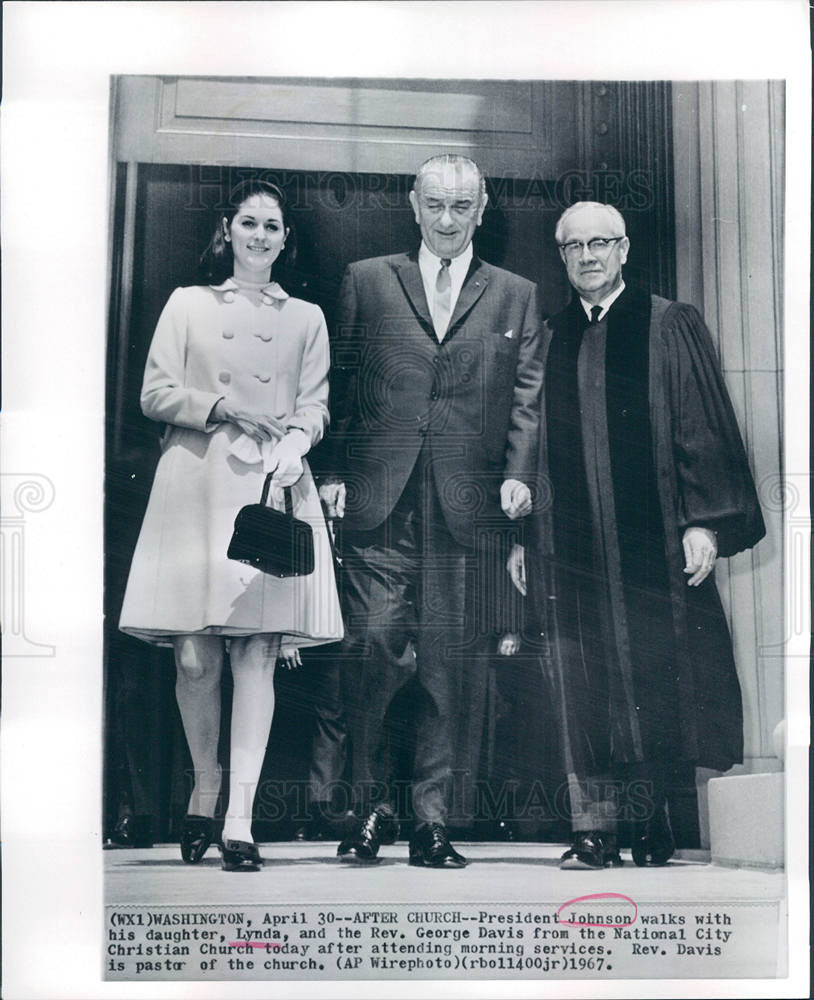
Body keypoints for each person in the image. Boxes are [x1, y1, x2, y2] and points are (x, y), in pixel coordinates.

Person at [508, 201, 765, 870]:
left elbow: (703, 428)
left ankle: (652, 822)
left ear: (623, 250)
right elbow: (527, 446)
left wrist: (704, 523)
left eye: (601, 243)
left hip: (653, 538)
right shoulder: (549, 335)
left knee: (654, 669)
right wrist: (520, 539)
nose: (588, 256)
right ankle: (592, 827)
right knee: (580, 674)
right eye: (574, 247)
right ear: (562, 256)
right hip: (569, 544)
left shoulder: (667, 324)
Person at [319, 154, 543, 868]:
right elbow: (344, 384)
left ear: (482, 210)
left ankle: (432, 823)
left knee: (450, 666)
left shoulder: (516, 295)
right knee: (372, 653)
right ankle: (370, 814)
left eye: (461, 207)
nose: (447, 220)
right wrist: (332, 474)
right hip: (381, 502)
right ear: (413, 207)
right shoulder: (367, 279)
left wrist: (518, 478)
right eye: (435, 205)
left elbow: (527, 398)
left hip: (468, 508)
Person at [119, 179, 343, 871]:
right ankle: (204, 784)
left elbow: (315, 407)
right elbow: (155, 392)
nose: (259, 235)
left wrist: (295, 446)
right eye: (248, 222)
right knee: (194, 656)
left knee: (257, 654)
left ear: (285, 239)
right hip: (194, 486)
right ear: (228, 229)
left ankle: (240, 819)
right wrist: (225, 410)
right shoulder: (188, 305)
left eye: (272, 226)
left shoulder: (305, 316)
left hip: (270, 489)